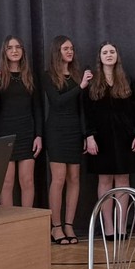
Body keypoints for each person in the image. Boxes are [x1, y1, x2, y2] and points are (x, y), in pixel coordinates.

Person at [84, 41, 135, 235]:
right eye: (105, 52)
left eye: (112, 52)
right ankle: (108, 226)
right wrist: (89, 136)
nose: (109, 55)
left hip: (125, 138)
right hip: (101, 139)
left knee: (123, 180)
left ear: (117, 56)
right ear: (100, 57)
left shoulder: (128, 80)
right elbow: (87, 113)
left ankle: (121, 225)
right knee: (105, 180)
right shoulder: (93, 82)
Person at [41, 35, 92, 245]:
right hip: (56, 130)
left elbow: (82, 109)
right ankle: (56, 226)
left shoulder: (77, 75)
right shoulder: (48, 75)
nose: (70, 51)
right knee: (59, 178)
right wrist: (81, 87)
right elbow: (57, 101)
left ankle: (69, 224)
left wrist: (85, 134)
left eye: (71, 48)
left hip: (74, 130)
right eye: (65, 48)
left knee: (74, 178)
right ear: (57, 51)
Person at [0, 35, 43, 207]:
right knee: (6, 183)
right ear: (4, 52)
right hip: (5, 134)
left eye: (18, 47)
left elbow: (37, 108)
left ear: (23, 51)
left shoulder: (30, 76)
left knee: (27, 181)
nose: (14, 51)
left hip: (27, 133)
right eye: (10, 48)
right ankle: (10, 221)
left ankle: (26, 219)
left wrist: (39, 135)